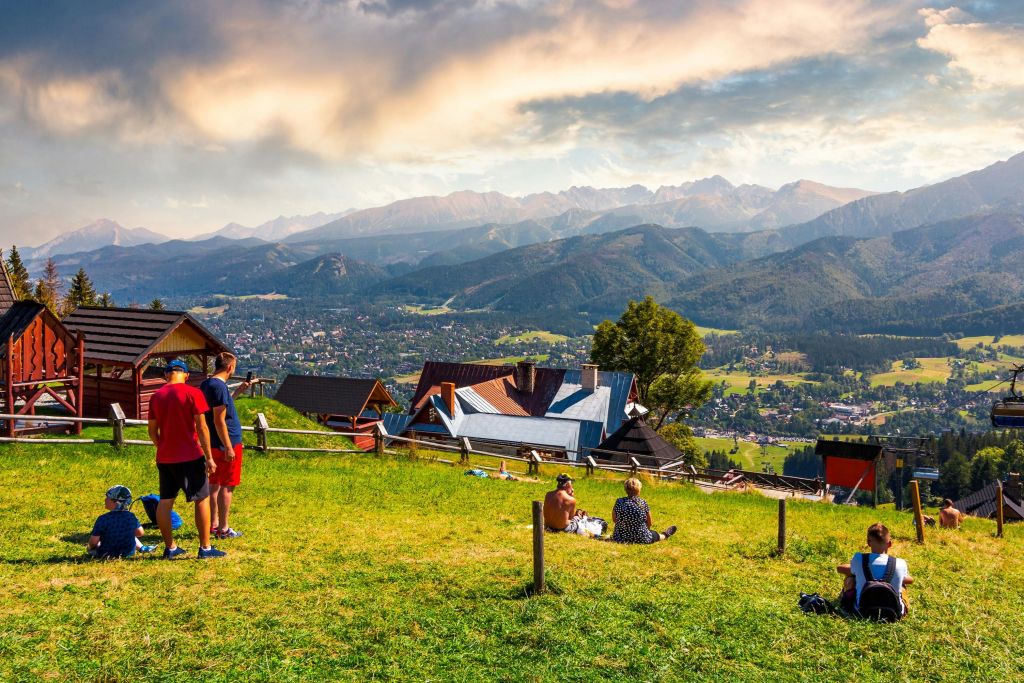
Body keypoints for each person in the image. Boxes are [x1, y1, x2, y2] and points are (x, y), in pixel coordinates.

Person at [148, 358, 226, 559]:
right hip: (191, 455)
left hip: (165, 457)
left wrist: (162, 447)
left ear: (166, 374)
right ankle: (205, 548)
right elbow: (202, 427)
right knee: (201, 499)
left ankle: (171, 548)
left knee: (165, 501)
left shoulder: (156, 396)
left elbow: (152, 431)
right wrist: (209, 457)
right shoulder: (193, 393)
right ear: (186, 375)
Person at [200, 352, 251, 540]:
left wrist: (237, 393)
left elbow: (221, 406)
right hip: (226, 443)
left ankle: (213, 524)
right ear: (230, 367)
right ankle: (224, 528)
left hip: (212, 442)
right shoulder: (219, 387)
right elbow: (219, 419)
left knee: (214, 484)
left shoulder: (207, 384)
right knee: (227, 485)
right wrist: (229, 446)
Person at [837, 522, 913, 616]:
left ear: (869, 542)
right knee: (902, 586)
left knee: (850, 578)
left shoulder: (858, 559)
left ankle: (846, 603)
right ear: (889, 544)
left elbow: (840, 568)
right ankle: (902, 609)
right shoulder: (900, 563)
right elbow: (910, 580)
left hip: (862, 612)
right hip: (894, 614)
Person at [87, 485, 154, 558]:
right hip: (128, 553)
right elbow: (140, 533)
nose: (105, 500)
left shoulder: (103, 519)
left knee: (91, 547)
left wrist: (91, 547)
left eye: (108, 498)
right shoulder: (131, 517)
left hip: (106, 553)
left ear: (116, 502)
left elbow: (93, 542)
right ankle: (142, 548)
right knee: (129, 533)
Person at [611, 478, 677, 544]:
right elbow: (649, 522)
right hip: (641, 538)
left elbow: (614, 519)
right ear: (639, 490)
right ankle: (665, 535)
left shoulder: (619, 502)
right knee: (654, 534)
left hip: (619, 537)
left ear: (626, 489)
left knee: (650, 533)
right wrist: (646, 531)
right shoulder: (642, 503)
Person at [543, 474, 607, 537]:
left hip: (548, 526)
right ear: (568, 484)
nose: (572, 487)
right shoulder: (570, 499)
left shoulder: (548, 494)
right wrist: (571, 496)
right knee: (578, 519)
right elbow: (571, 518)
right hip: (563, 528)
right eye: (572, 485)